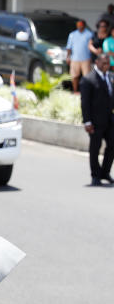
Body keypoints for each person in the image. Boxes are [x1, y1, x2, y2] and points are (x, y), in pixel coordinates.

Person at [80, 53, 114, 186]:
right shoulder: (88, 79)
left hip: (109, 119)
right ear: (97, 62)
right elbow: (85, 103)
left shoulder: (110, 78)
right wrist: (87, 121)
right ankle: (95, 175)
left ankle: (105, 172)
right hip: (95, 121)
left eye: (108, 63)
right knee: (95, 147)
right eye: (104, 63)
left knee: (112, 145)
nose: (107, 66)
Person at [66, 20, 92, 93]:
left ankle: (86, 91)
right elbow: (69, 47)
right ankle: (75, 91)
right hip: (74, 58)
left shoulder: (89, 34)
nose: (79, 26)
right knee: (74, 76)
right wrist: (68, 57)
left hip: (86, 59)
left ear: (84, 25)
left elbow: (91, 46)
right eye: (78, 25)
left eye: (81, 25)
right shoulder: (72, 34)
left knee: (87, 77)